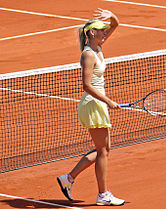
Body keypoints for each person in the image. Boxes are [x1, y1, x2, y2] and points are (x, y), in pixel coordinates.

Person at [57, 8, 125, 206]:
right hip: (94, 104)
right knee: (103, 151)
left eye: (105, 30)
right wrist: (108, 101)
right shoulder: (88, 54)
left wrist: (111, 16)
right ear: (91, 32)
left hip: (97, 104)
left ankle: (68, 179)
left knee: (104, 149)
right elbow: (86, 85)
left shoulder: (97, 47)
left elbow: (116, 24)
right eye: (101, 30)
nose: (105, 32)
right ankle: (103, 195)